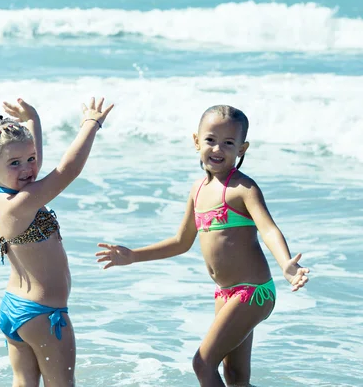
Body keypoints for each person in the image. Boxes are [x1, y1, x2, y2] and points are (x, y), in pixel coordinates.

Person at [95, 105, 309, 387]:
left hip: (253, 292)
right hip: (225, 293)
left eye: (228, 142)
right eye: (210, 140)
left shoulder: (243, 189)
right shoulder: (197, 190)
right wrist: (134, 256)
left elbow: (268, 228)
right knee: (235, 378)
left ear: (242, 149)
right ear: (196, 141)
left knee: (203, 363)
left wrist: (286, 265)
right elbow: (181, 242)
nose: (217, 148)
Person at [0, 97, 113, 387]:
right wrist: (92, 124)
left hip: (16, 308)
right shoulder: (19, 204)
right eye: (15, 163)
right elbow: (68, 171)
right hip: (43, 315)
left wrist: (33, 120)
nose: (27, 168)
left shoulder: (13, 193)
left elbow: (32, 156)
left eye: (31, 159)